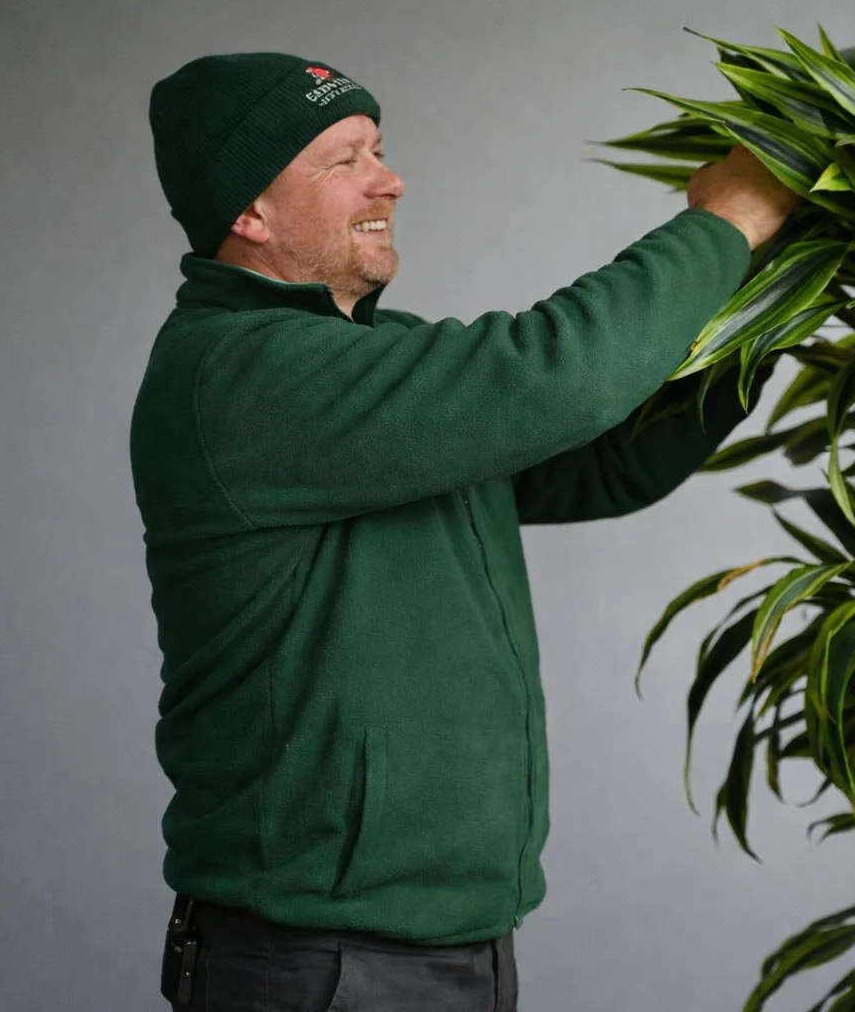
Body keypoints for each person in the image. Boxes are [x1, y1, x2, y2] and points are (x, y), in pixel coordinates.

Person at [131, 50, 801, 1011]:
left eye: (379, 149)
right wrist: (723, 222)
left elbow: (605, 461)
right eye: (344, 160)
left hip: (443, 947)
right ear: (251, 212)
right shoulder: (238, 373)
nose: (389, 180)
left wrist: (770, 302)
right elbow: (558, 379)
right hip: (320, 961)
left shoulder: (382, 360)